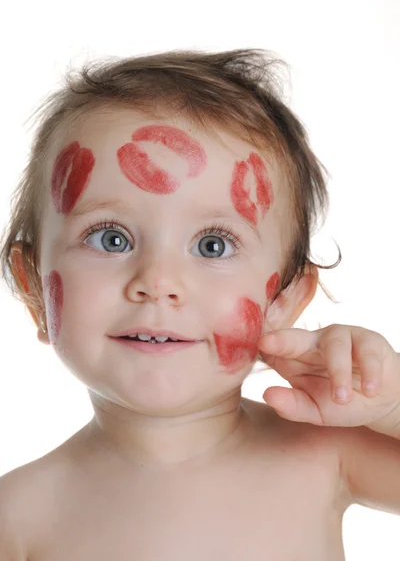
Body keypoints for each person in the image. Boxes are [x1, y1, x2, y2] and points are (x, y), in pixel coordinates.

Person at [0, 48, 399, 560]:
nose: (158, 282)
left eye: (213, 245)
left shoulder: (329, 454)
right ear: (34, 287)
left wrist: (393, 403)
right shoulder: (18, 517)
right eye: (111, 239)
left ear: (282, 300)